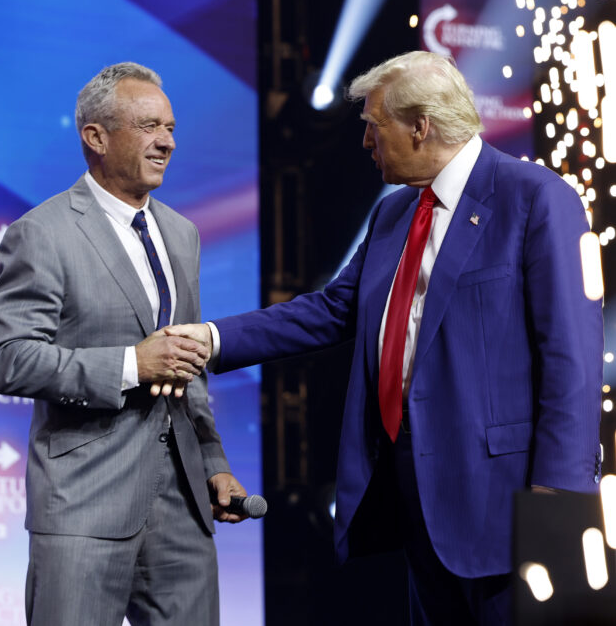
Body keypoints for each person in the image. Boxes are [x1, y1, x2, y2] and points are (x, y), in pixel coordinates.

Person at [165, 51, 603, 625]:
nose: (366, 143)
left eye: (373, 127)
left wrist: (557, 501)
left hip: (508, 506)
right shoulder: (394, 214)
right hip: (418, 503)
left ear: (419, 126)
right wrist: (210, 339)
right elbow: (332, 309)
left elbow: (571, 357)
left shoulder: (535, 198)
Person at [0, 62, 248, 626]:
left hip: (182, 509)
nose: (167, 142)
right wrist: (131, 363)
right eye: (150, 126)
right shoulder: (43, 232)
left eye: (171, 127)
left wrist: (213, 462)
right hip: (83, 504)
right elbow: (8, 360)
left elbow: (187, 363)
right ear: (96, 137)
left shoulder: (182, 232)